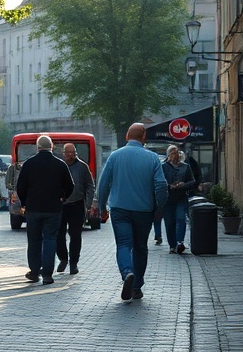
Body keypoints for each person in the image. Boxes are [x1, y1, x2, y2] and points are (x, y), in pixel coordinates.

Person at [95, 123, 168, 302]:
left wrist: (102, 208)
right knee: (140, 247)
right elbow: (161, 185)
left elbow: (103, 184)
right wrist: (159, 207)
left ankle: (127, 272)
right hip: (144, 210)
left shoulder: (115, 156)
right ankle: (136, 287)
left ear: (127, 136)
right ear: (144, 137)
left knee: (123, 244)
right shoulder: (152, 158)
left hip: (120, 209)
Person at [16, 135, 73, 284]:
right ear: (51, 146)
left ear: (37, 147)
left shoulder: (29, 164)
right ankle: (47, 274)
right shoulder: (60, 164)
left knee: (34, 240)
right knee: (50, 239)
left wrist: (24, 203)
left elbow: (20, 186)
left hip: (33, 208)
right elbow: (70, 185)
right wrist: (63, 197)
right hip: (53, 208)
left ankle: (34, 272)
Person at [56, 142, 95, 275]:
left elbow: (90, 185)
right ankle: (63, 258)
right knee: (58, 234)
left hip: (77, 205)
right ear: (63, 153)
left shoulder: (82, 167)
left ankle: (73, 263)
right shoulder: (59, 165)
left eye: (72, 153)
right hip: (61, 205)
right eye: (67, 153)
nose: (70, 155)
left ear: (75, 153)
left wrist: (88, 204)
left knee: (75, 235)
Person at [162, 145, 197, 254]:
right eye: (172, 153)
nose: (175, 155)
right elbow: (159, 182)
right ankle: (172, 245)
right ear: (168, 155)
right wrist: (168, 186)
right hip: (168, 199)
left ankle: (179, 242)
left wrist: (183, 185)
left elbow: (192, 182)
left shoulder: (185, 167)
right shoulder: (163, 167)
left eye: (176, 152)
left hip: (181, 197)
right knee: (169, 222)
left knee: (181, 218)